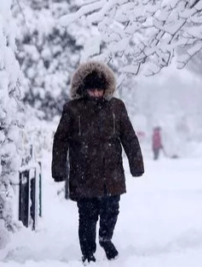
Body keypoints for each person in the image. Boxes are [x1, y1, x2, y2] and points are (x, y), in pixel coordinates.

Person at [52, 61, 144, 263]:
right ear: (84, 89)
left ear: (105, 88)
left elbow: (129, 136)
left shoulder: (116, 107)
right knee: (87, 216)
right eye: (92, 90)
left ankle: (105, 238)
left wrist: (136, 164)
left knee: (112, 210)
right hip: (83, 173)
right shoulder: (72, 110)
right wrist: (59, 170)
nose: (96, 94)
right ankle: (88, 254)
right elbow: (60, 140)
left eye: (99, 90)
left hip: (111, 173)